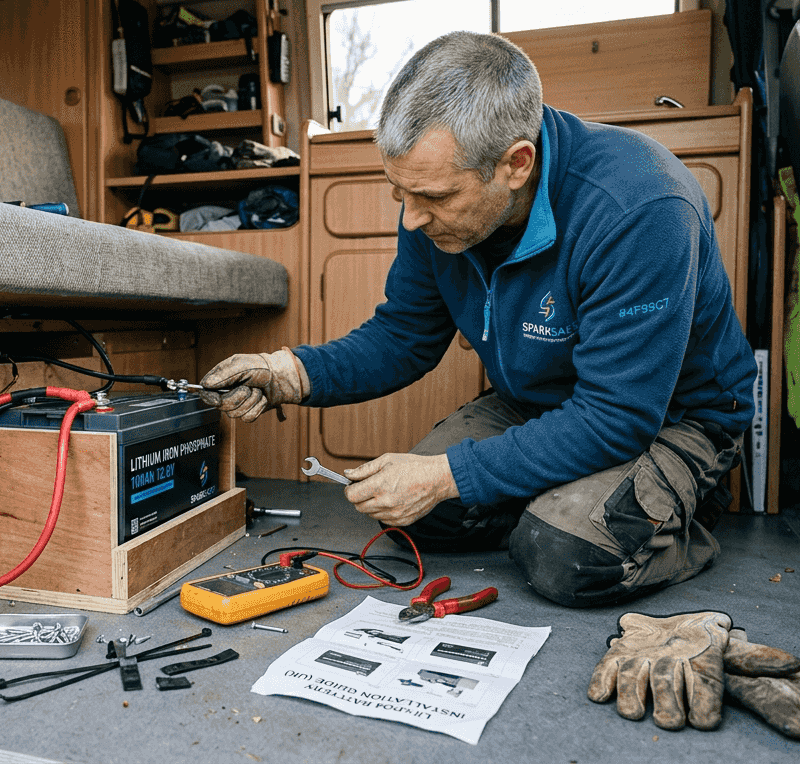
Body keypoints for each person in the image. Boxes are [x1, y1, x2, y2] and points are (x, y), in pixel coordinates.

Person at [197, 31, 757, 608]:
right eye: (400, 194)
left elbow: (616, 415)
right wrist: (286, 372)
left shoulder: (640, 207)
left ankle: (670, 514)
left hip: (671, 415)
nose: (412, 219)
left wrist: (447, 475)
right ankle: (568, 495)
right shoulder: (431, 207)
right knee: (418, 520)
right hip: (542, 401)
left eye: (434, 197)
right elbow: (403, 337)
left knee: (562, 555)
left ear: (516, 164)